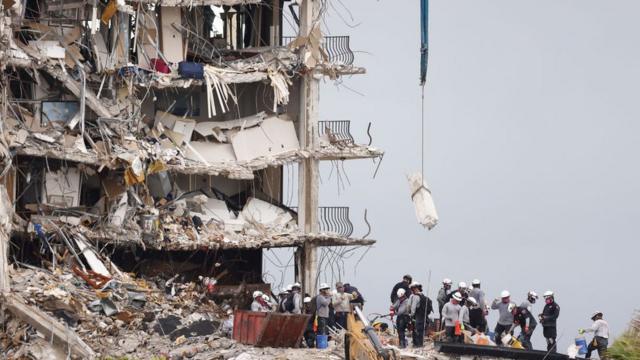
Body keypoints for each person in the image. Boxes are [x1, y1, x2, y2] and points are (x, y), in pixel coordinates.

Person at [409, 282, 432, 347]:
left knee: (416, 330)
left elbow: (413, 308)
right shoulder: (424, 297)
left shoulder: (416, 297)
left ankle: (417, 345)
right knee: (421, 331)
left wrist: (411, 315)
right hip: (424, 316)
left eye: (412, 289)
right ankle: (420, 344)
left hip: (418, 316)